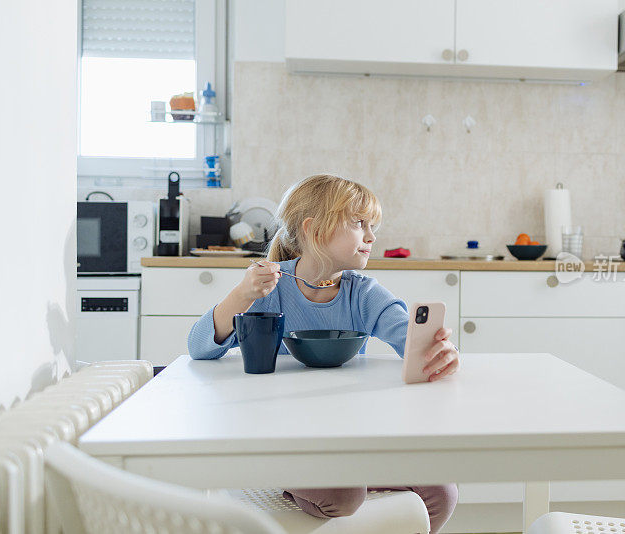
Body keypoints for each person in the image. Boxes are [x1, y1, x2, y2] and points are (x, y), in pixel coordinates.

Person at [188, 174, 459, 533]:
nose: (372, 237)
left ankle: (350, 476)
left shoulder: (362, 293)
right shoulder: (270, 286)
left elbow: (411, 340)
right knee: (344, 495)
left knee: (442, 493)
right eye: (359, 224)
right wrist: (242, 294)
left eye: (372, 226)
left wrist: (443, 352)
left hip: (347, 437)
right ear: (315, 230)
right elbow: (199, 348)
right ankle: (273, 472)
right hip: (280, 437)